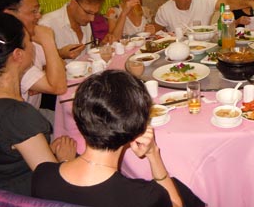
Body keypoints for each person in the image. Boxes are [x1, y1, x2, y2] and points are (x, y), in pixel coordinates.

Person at [32, 70, 204, 207]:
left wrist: (66, 160)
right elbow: (176, 204)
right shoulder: (144, 196)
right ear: (136, 128)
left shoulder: (42, 175)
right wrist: (153, 154)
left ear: (79, 117)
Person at [0, 13, 76, 196]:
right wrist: (64, 160)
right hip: (24, 197)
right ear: (18, 55)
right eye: (29, 42)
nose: (33, 47)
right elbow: (54, 187)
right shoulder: (17, 115)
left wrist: (46, 149)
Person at [0, 0, 67, 117]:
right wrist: (48, 40)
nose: (39, 16)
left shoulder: (32, 36)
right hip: (20, 124)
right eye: (33, 11)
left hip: (34, 112)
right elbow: (59, 86)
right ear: (9, 14)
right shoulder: (9, 53)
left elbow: (61, 68)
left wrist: (45, 73)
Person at [39, 0, 107, 62]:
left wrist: (102, 44)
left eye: (95, 13)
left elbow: (86, 55)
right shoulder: (46, 24)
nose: (92, 19)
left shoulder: (84, 21)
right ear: (73, 4)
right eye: (88, 12)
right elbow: (35, 66)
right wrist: (60, 54)